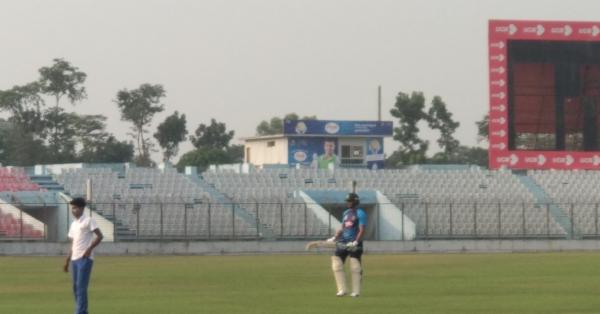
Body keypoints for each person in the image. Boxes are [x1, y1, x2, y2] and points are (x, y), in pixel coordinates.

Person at [63, 197, 103, 314]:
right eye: (72, 208)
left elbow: (100, 236)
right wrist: (67, 260)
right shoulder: (73, 224)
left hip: (85, 259)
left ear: (81, 208)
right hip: (74, 260)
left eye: (75, 208)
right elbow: (73, 243)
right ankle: (82, 311)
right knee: (75, 288)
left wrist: (89, 249)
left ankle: (80, 312)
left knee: (81, 287)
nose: (73, 210)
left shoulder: (88, 220)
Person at [326, 192, 367, 297]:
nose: (348, 203)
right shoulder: (346, 213)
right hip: (343, 241)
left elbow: (362, 230)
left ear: (355, 201)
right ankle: (342, 289)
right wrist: (335, 237)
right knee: (336, 262)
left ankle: (356, 291)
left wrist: (356, 242)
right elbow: (343, 228)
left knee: (355, 267)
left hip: (354, 243)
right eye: (347, 201)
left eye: (350, 201)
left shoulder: (360, 213)